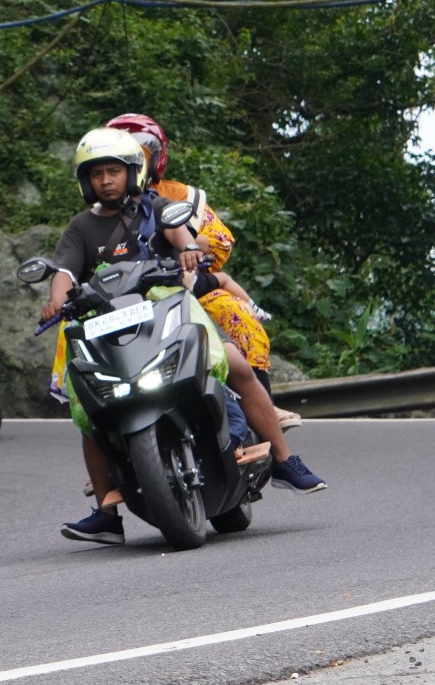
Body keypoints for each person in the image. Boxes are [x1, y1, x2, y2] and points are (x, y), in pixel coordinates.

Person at [43, 128, 326, 546]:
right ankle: (106, 511)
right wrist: (56, 300)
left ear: (133, 174)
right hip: (111, 323)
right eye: (97, 173)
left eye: (114, 171)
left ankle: (284, 460)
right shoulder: (80, 227)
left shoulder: (157, 207)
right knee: (87, 411)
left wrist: (189, 250)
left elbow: (181, 236)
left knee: (234, 364)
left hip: (168, 307)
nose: (106, 180)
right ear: (85, 181)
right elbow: (64, 273)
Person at [104, 113, 298, 427]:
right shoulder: (98, 212)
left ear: (155, 159)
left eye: (137, 157)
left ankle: (263, 408)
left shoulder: (182, 196)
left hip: (183, 286)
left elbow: (221, 242)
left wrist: (191, 244)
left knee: (234, 311)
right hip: (124, 300)